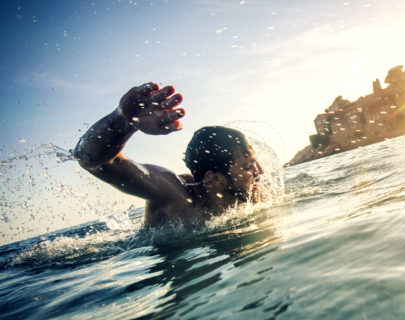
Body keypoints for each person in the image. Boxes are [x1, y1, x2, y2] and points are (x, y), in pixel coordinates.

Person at [74, 82, 265, 227]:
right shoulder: (175, 194)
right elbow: (92, 161)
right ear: (215, 179)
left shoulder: (252, 196)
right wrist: (123, 121)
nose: (260, 172)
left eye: (254, 162)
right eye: (248, 166)